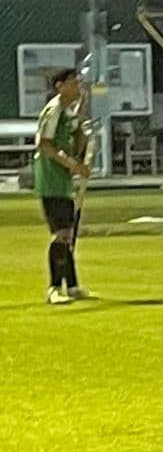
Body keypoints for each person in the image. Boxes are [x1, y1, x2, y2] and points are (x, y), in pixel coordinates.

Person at [34, 68, 93, 305]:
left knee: (70, 233)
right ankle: (54, 287)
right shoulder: (53, 110)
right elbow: (45, 144)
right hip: (51, 180)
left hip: (64, 181)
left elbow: (74, 131)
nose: (77, 85)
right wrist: (72, 165)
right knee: (62, 234)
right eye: (72, 82)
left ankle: (73, 284)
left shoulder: (67, 113)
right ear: (59, 86)